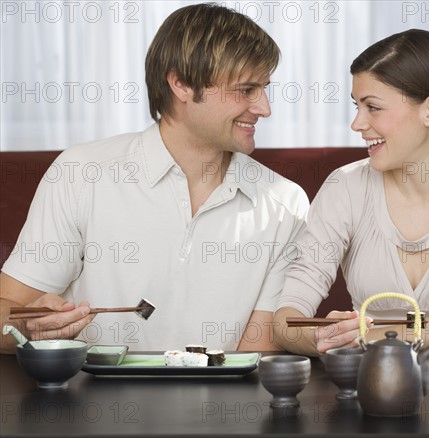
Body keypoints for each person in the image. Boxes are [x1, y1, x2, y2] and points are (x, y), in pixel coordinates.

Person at [0, 3, 309, 354]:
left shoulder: (286, 203)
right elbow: (6, 312)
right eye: (246, 90)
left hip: (222, 408)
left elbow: (258, 355)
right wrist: (28, 326)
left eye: (264, 88)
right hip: (90, 407)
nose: (264, 108)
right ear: (180, 84)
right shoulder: (81, 173)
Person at [273, 29, 429, 356]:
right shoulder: (345, 186)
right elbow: (285, 321)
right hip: (373, 387)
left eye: (373, 107)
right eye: (356, 106)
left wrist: (367, 334)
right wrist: (320, 339)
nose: (357, 124)